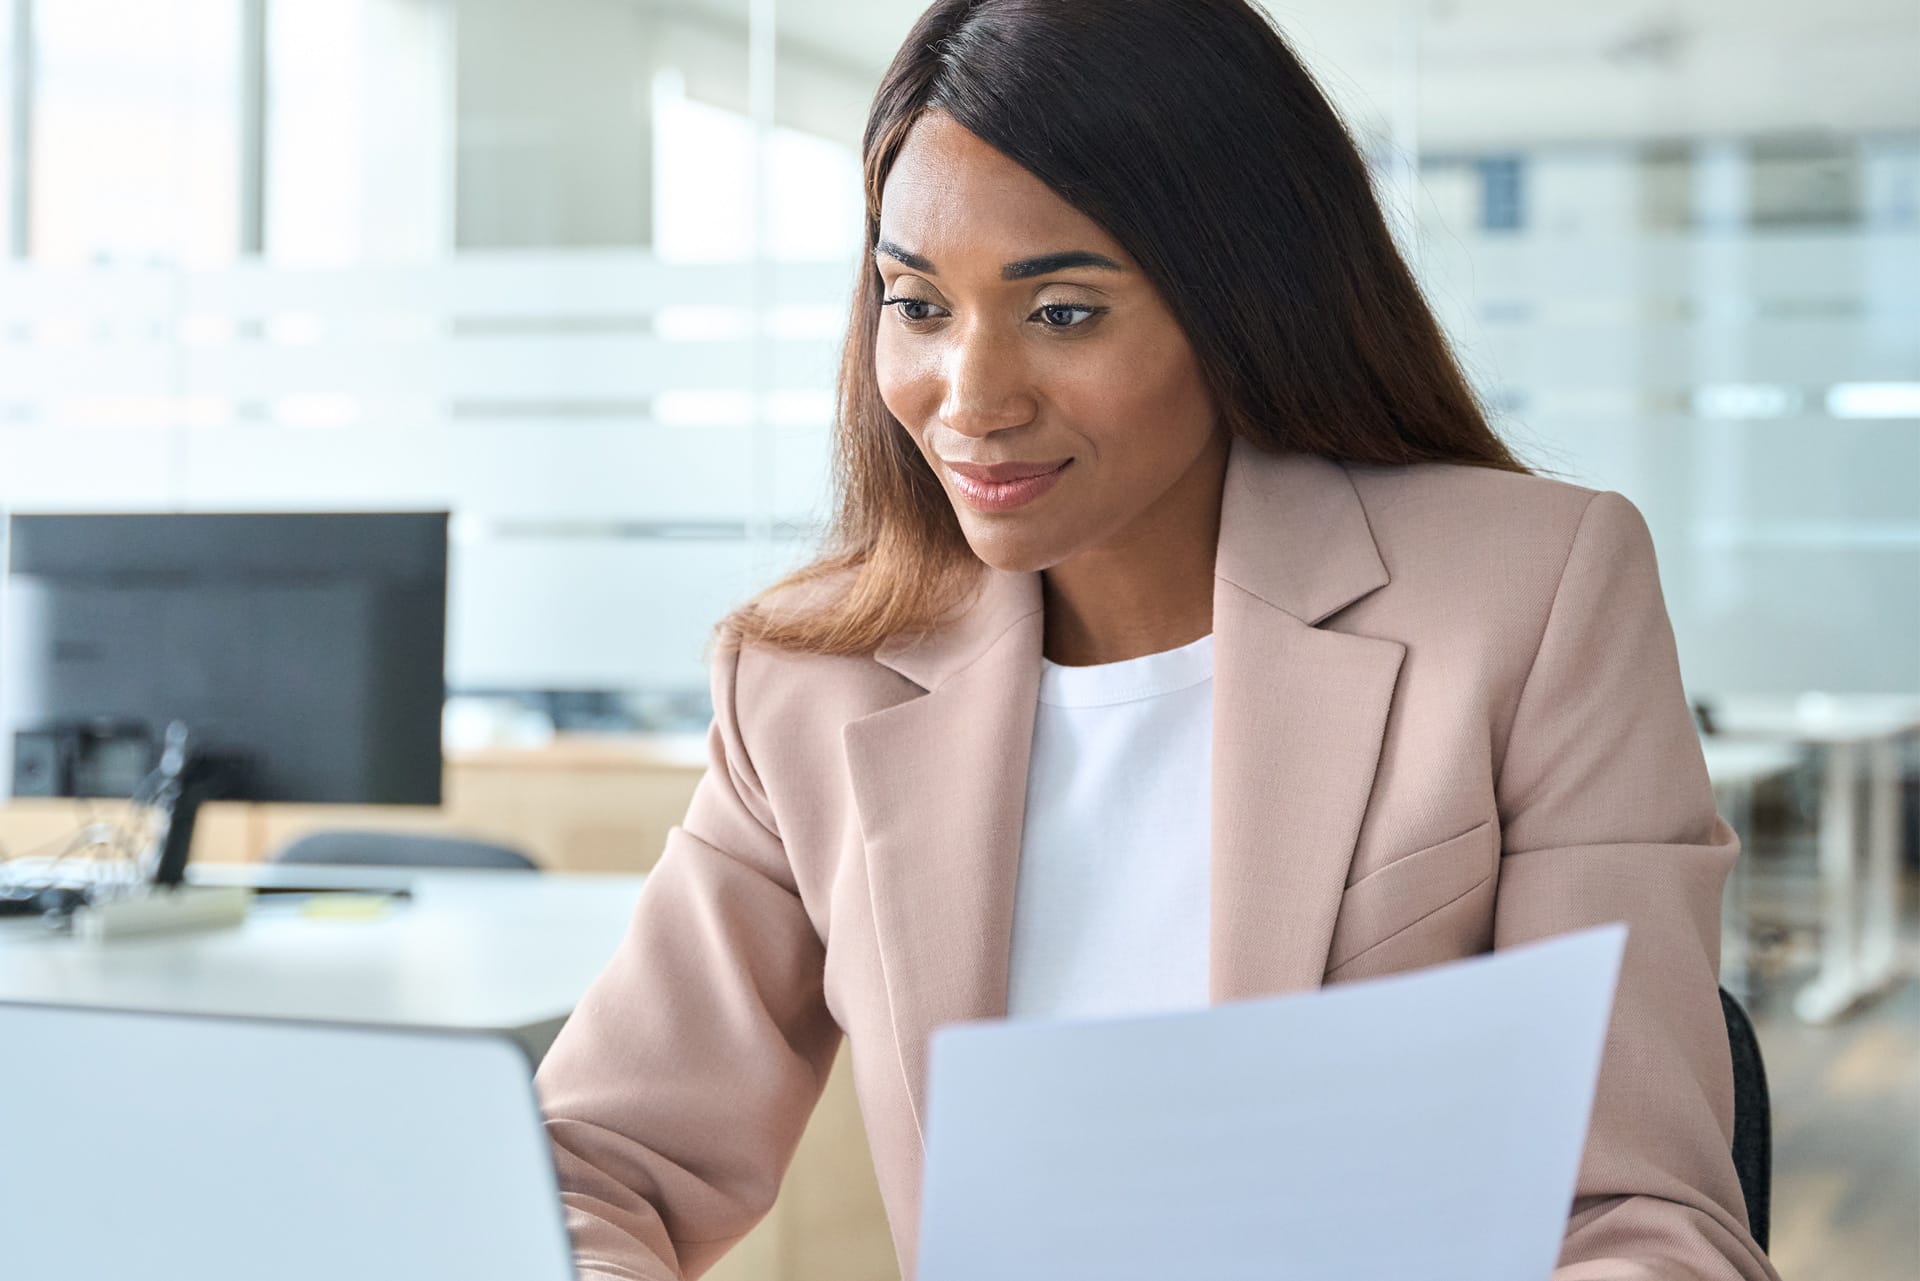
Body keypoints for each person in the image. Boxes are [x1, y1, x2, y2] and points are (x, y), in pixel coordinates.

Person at [534, 2, 1778, 1279]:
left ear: (1239, 300)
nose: (971, 399)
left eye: (1063, 311)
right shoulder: (812, 681)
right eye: (916, 304)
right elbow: (595, 1167)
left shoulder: (1531, 596)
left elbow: (1643, 1225)